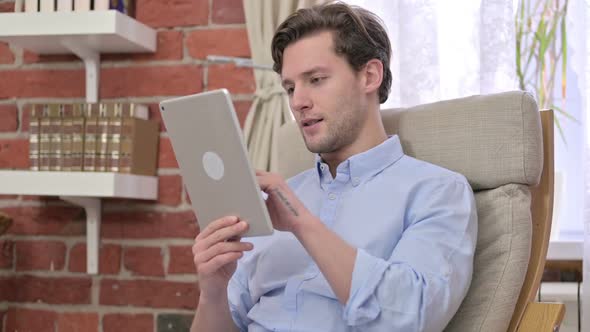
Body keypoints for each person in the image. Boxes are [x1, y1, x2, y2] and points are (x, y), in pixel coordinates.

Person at [190, 3, 477, 331]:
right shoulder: (277, 200)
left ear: (369, 76)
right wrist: (212, 293)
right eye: (290, 87)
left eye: (315, 79)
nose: (298, 101)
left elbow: (409, 318)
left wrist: (303, 225)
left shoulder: (438, 192)